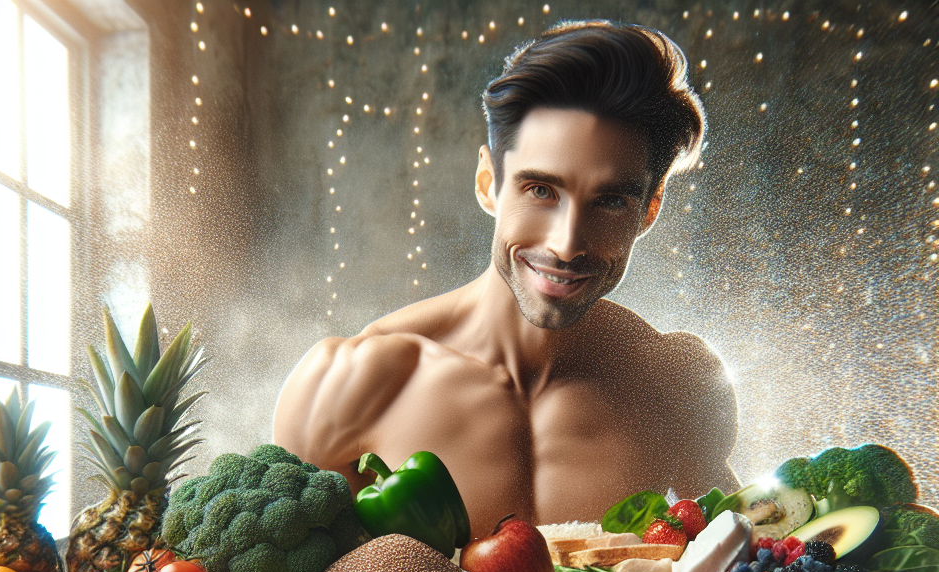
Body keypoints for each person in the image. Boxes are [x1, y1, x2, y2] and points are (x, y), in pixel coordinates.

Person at [273, 20, 739, 539]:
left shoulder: (676, 384)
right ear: (488, 184)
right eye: (541, 190)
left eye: (611, 201)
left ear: (649, 212)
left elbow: (743, 571)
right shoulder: (350, 383)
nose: (565, 244)